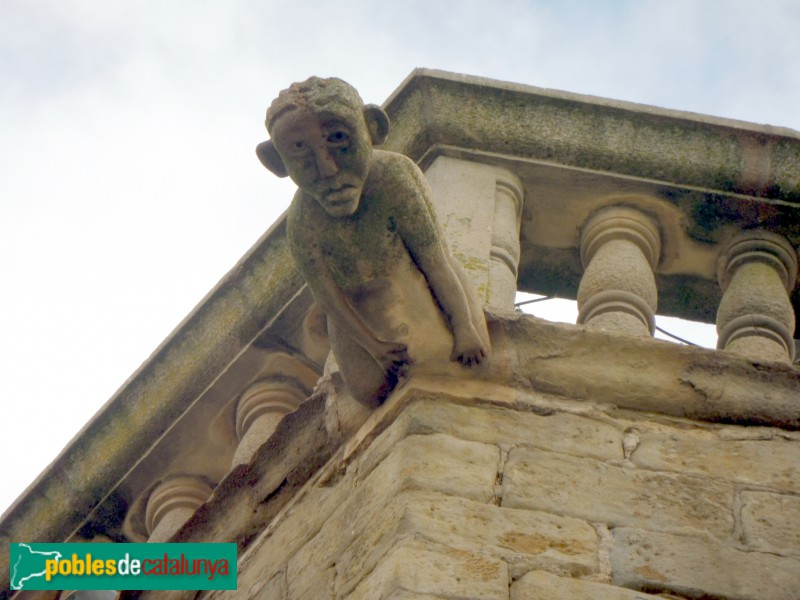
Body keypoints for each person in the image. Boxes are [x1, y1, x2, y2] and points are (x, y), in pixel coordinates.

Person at [257, 77, 489, 404]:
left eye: (339, 139)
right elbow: (330, 300)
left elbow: (436, 261)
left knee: (455, 359)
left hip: (413, 284)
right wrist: (375, 348)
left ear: (373, 128)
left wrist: (464, 327)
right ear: (278, 163)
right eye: (300, 153)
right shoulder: (303, 222)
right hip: (361, 311)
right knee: (370, 393)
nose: (327, 169)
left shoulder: (394, 177)